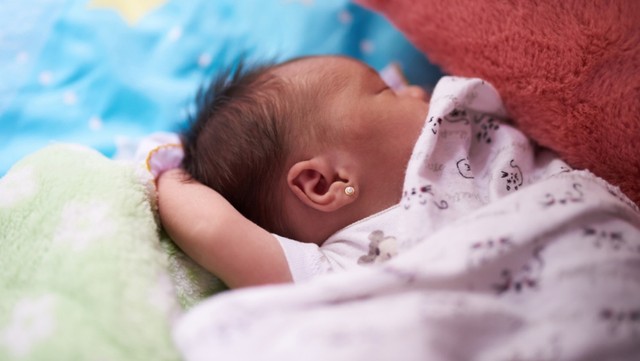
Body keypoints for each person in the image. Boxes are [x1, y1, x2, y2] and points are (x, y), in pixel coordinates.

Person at [156, 55, 612, 289]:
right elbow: (208, 225)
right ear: (325, 183)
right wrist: (163, 163)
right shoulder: (332, 272)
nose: (416, 89)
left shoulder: (481, 152)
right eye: (382, 90)